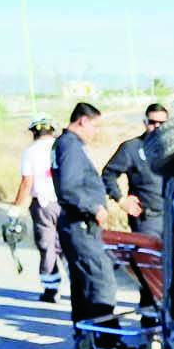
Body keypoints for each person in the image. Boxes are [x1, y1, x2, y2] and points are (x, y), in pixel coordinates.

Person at [52, 102, 119, 335]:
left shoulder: (65, 143)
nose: (96, 132)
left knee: (82, 281)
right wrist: (94, 208)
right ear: (83, 121)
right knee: (101, 279)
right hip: (81, 224)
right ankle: (106, 337)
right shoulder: (70, 146)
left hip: (75, 224)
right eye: (95, 126)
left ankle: (84, 333)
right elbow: (69, 188)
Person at [101, 103, 169, 308]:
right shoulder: (132, 148)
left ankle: (170, 323)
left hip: (172, 218)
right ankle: (150, 325)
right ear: (145, 122)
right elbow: (108, 174)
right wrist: (121, 200)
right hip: (147, 220)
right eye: (152, 122)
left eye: (161, 123)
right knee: (149, 272)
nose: (156, 127)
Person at [8, 115, 62, 303]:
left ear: (34, 132)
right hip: (66, 204)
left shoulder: (30, 152)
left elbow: (26, 183)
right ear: (52, 130)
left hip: (43, 205)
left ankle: (51, 290)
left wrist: (15, 208)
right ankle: (82, 290)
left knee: (47, 247)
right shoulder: (63, 146)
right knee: (69, 247)